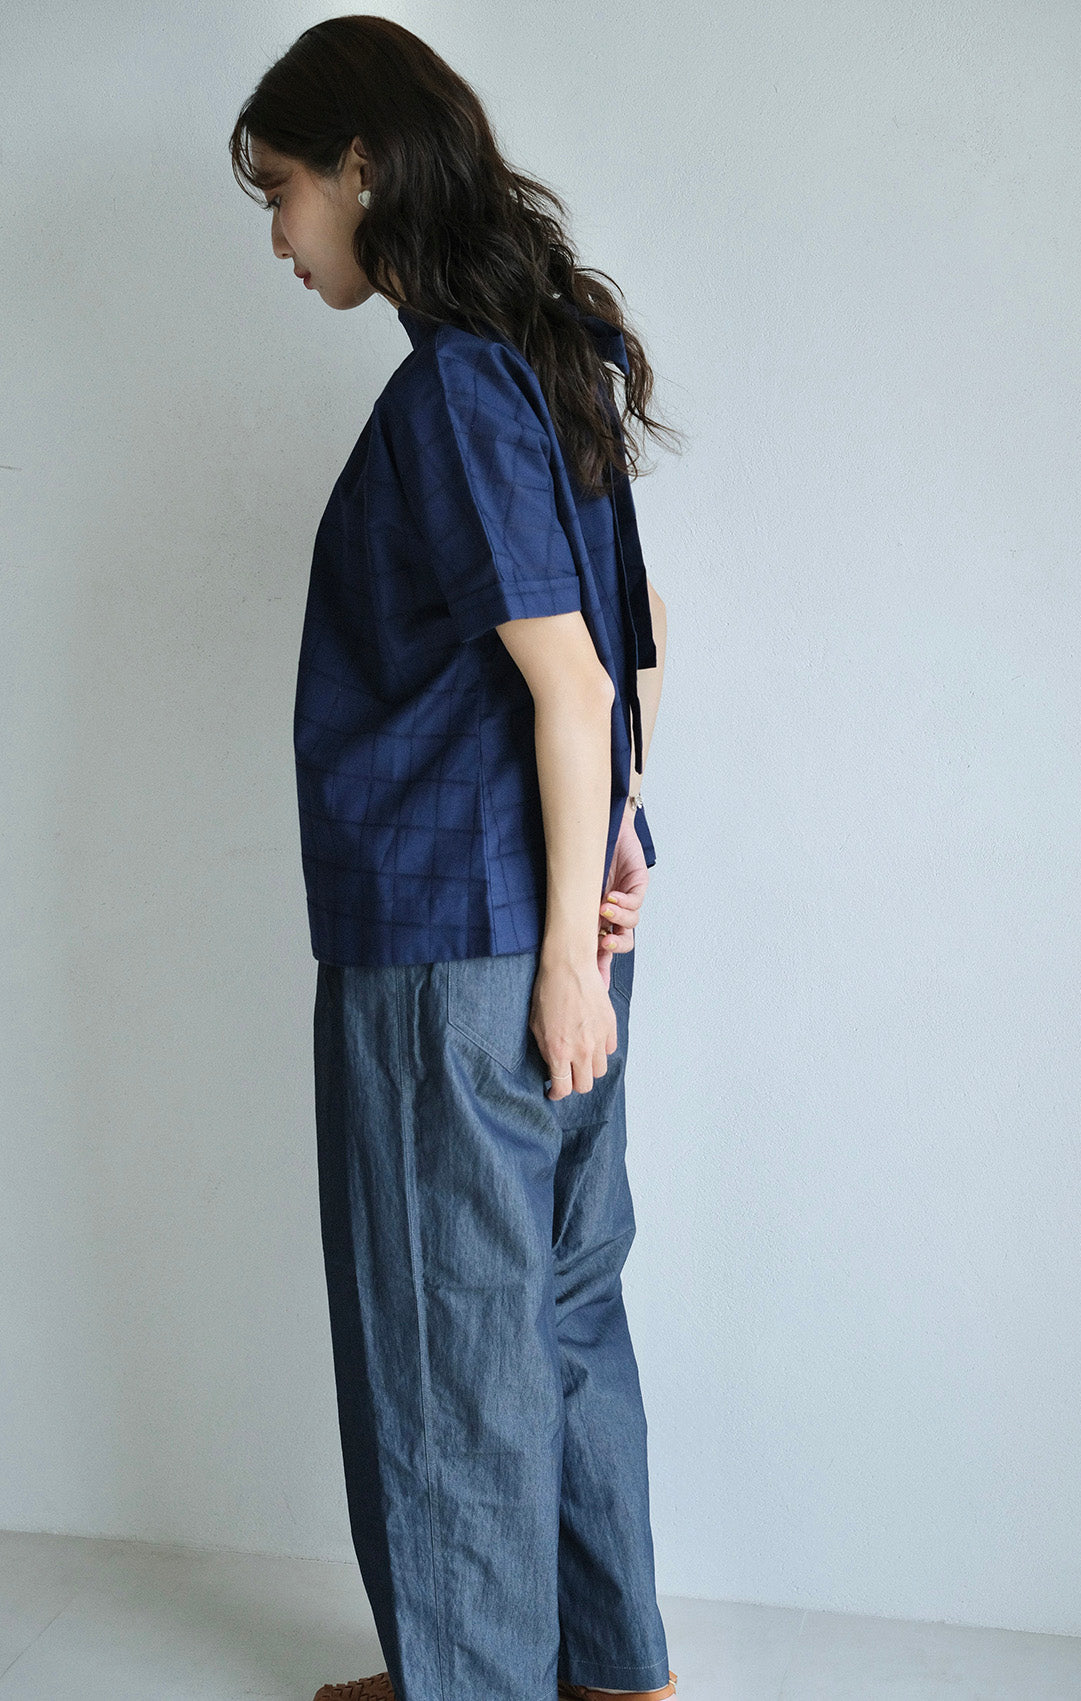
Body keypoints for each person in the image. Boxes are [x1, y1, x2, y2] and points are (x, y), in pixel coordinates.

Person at [229, 17, 684, 1701]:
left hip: (451, 939)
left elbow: (571, 679)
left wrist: (564, 952)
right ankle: (610, 1670)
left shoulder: (451, 389)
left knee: (444, 1331)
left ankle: (472, 1681)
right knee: (556, 1302)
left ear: (362, 167)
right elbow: (637, 636)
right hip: (551, 912)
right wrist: (615, 848)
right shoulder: (551, 350)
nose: (281, 236)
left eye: (283, 191)